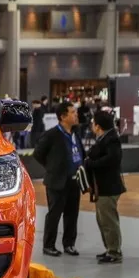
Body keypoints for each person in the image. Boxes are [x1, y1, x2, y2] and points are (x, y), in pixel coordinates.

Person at [33, 101, 85, 257]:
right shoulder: (52, 135)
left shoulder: (76, 132)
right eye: (73, 112)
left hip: (74, 181)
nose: (76, 115)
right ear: (63, 116)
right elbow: (38, 153)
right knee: (54, 214)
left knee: (72, 214)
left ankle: (69, 244)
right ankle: (48, 245)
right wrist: (52, 167)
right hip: (57, 181)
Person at [84, 111, 126, 264]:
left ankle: (114, 252)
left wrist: (91, 163)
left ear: (98, 126)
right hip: (103, 187)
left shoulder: (112, 139)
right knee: (103, 220)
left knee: (108, 221)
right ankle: (110, 248)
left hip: (109, 187)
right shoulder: (106, 138)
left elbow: (112, 160)